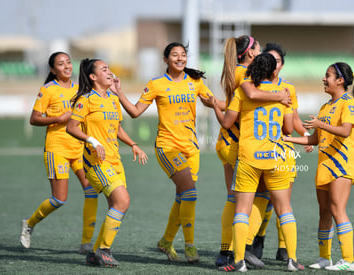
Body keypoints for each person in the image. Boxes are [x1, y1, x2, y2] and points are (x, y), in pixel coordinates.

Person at [112, 42, 213, 263]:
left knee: (183, 197)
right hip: (167, 147)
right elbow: (136, 111)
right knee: (190, 193)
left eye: (183, 55)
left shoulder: (194, 81)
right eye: (175, 55)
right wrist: (119, 92)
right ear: (165, 59)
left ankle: (166, 241)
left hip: (191, 149)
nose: (180, 58)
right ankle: (190, 246)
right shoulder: (156, 84)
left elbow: (212, 102)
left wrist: (240, 104)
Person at [208, 53, 304, 272]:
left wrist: (215, 106)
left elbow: (226, 122)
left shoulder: (243, 90)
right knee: (285, 209)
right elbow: (288, 129)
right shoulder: (284, 92)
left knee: (241, 210)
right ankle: (292, 260)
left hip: (249, 158)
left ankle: (239, 261)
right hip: (276, 156)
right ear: (273, 71)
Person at [283, 62, 354, 271]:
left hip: (342, 164)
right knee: (323, 212)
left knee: (337, 209)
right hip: (325, 165)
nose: (324, 79)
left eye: (328, 75)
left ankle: (349, 261)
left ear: (340, 81)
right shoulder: (325, 106)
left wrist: (320, 124)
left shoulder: (348, 102)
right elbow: (314, 140)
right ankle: (324, 258)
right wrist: (285, 139)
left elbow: (346, 131)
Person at [66, 58, 148, 267]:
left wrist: (133, 144)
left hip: (115, 161)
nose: (109, 72)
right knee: (123, 201)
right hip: (96, 163)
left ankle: (95, 254)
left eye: (109, 68)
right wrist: (92, 141)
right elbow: (72, 127)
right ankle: (103, 250)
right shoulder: (86, 100)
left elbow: (117, 128)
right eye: (104, 69)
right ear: (93, 77)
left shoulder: (112, 99)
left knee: (116, 205)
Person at [20, 52, 98, 254]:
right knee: (59, 199)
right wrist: (59, 118)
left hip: (79, 149)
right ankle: (29, 223)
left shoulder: (79, 88)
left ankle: (86, 243)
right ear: (53, 70)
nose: (67, 67)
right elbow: (34, 119)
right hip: (57, 149)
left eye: (69, 63)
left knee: (91, 191)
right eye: (61, 64)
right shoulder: (47, 90)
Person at [250, 43, 313, 262]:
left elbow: (293, 119)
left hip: (283, 151)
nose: (274, 65)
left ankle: (284, 248)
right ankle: (258, 239)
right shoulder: (254, 85)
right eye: (270, 60)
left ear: (282, 65)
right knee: (264, 198)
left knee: (282, 199)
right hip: (260, 151)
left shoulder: (288, 88)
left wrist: (305, 135)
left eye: (277, 61)